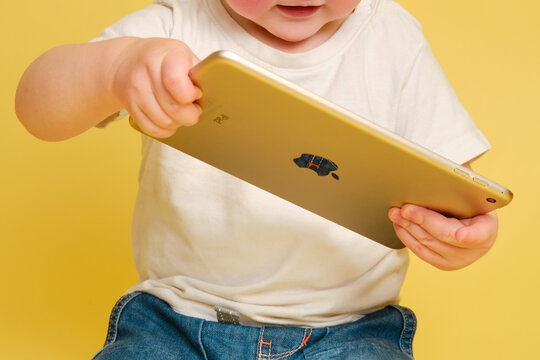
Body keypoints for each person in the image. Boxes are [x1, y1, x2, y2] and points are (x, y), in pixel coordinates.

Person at [15, 0, 499, 359]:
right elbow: (35, 109)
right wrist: (115, 69)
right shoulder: (175, 24)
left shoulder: (393, 36)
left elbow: (454, 190)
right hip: (175, 322)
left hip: (351, 331)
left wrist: (462, 234)